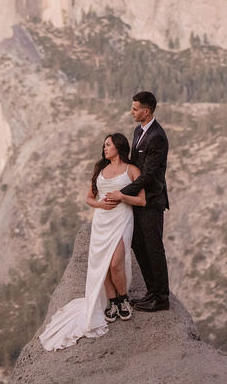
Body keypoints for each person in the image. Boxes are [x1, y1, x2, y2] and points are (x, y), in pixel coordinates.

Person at [39, 133, 146, 351]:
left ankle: (124, 299)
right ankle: (113, 302)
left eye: (108, 144)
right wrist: (100, 205)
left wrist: (121, 197)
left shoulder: (131, 170)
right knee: (102, 263)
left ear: (118, 147)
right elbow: (89, 198)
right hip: (102, 221)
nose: (104, 148)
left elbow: (142, 200)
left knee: (116, 262)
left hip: (122, 218)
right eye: (104, 145)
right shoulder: (100, 169)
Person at [105, 91, 170, 311]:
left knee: (154, 248)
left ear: (146, 111)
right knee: (139, 245)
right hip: (137, 199)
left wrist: (121, 192)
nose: (131, 112)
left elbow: (148, 175)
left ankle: (161, 298)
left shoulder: (157, 137)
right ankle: (151, 292)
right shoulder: (137, 131)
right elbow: (134, 166)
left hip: (151, 201)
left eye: (135, 109)